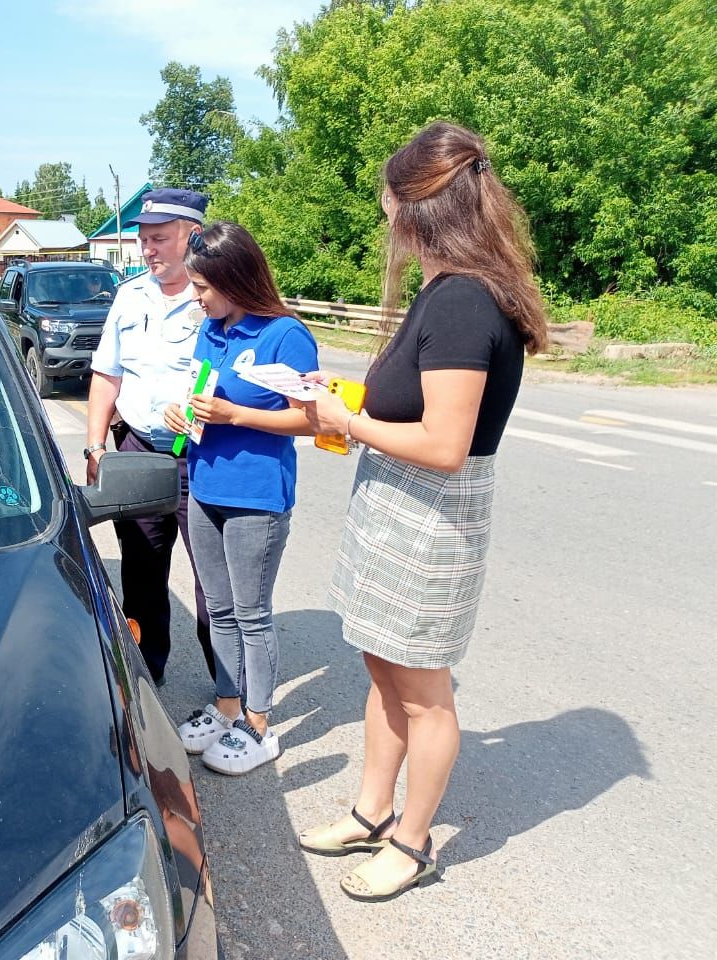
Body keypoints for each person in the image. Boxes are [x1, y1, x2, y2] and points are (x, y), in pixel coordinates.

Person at [294, 122, 548, 901]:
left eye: (389, 208)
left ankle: (412, 840)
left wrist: (344, 423)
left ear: (419, 212)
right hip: (397, 511)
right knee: (382, 670)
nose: (387, 225)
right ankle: (372, 812)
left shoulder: (467, 301)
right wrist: (339, 401)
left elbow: (444, 444)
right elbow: (412, 406)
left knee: (424, 690)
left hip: (431, 520)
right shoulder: (447, 289)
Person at [162, 221, 319, 775]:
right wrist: (179, 410)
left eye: (204, 287)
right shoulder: (212, 327)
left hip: (257, 495)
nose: (197, 297)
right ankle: (226, 705)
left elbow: (311, 418)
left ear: (234, 278)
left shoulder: (284, 335)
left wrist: (237, 415)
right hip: (204, 485)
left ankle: (258, 723)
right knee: (220, 609)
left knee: (251, 614)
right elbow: (200, 390)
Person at [86, 188, 214, 686]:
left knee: (212, 583)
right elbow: (107, 375)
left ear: (192, 236)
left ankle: (229, 692)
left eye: (159, 239)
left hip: (200, 458)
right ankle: (145, 676)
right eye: (143, 240)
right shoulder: (130, 294)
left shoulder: (216, 299)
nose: (148, 250)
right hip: (138, 451)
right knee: (140, 573)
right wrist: (96, 447)